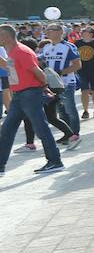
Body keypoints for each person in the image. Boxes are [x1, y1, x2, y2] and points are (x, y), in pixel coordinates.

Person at [0, 25, 64, 175]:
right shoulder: (12, 51)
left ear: (6, 36)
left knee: (41, 129)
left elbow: (38, 72)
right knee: (7, 130)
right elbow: (10, 67)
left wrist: (44, 87)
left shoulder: (21, 51)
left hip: (29, 94)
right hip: (20, 95)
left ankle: (55, 161)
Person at [39, 23, 81, 145]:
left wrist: (59, 73)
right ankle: (67, 133)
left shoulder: (68, 46)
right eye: (46, 30)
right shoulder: (46, 47)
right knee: (61, 111)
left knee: (70, 109)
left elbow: (77, 65)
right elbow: (40, 61)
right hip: (52, 84)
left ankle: (75, 134)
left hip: (66, 82)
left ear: (59, 32)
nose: (47, 32)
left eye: (50, 30)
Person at [74, 25, 94, 119]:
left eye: (85, 31)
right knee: (84, 91)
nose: (82, 32)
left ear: (91, 34)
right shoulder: (77, 43)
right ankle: (85, 110)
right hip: (81, 70)